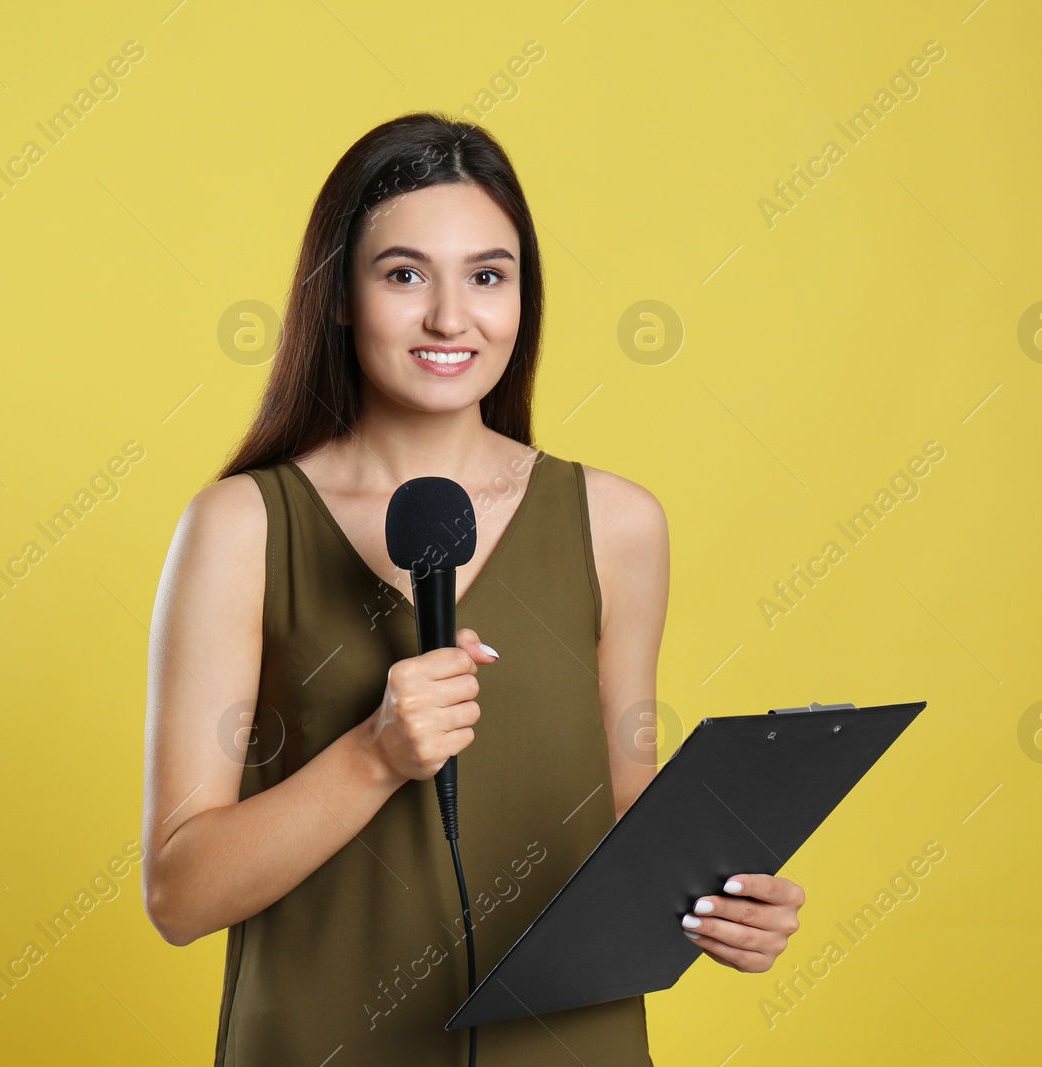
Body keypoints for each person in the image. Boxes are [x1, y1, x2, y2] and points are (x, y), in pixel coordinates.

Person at [141, 111, 805, 1066]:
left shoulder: (617, 525)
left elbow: (628, 809)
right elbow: (181, 892)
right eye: (404, 274)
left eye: (488, 276)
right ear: (339, 295)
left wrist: (724, 899)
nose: (451, 319)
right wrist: (374, 753)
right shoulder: (241, 528)